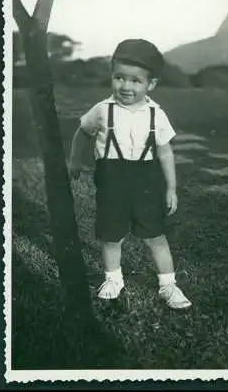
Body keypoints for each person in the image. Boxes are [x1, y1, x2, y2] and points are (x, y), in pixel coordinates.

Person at [68, 38, 192, 310]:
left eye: (135, 81)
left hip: (147, 183)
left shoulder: (156, 115)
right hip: (112, 183)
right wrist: (74, 160)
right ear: (112, 77)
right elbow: (82, 133)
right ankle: (113, 279)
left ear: (151, 84)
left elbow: (165, 153)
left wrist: (171, 189)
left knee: (156, 235)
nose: (126, 86)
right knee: (112, 236)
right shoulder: (102, 110)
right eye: (119, 78)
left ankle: (168, 285)